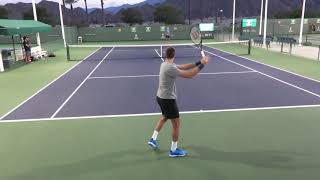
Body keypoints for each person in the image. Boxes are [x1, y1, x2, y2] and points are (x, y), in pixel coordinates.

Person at [148, 47, 209, 157]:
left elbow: (183, 67)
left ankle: (153, 138)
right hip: (168, 100)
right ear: (174, 55)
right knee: (176, 124)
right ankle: (173, 150)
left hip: (160, 97)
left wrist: (199, 61)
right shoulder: (170, 68)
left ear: (166, 55)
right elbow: (190, 75)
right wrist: (203, 65)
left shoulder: (165, 64)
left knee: (165, 117)